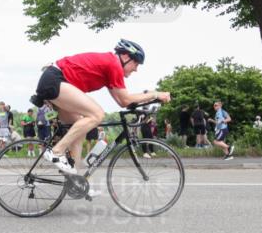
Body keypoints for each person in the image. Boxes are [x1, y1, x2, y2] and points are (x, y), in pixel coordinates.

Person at [30, 39, 170, 175]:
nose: (136, 69)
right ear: (125, 57)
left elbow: (123, 102)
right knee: (97, 114)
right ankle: (57, 152)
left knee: (79, 129)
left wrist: (146, 100)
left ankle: (74, 179)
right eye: (136, 63)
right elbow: (125, 99)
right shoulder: (114, 64)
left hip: (54, 80)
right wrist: (155, 94)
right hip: (55, 80)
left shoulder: (111, 67)